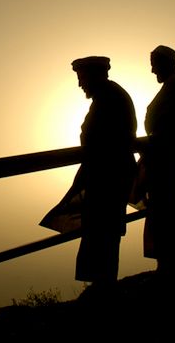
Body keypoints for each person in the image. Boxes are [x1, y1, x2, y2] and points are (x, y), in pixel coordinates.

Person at [41, 56, 137, 288]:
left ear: (94, 75)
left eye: (81, 77)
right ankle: (104, 285)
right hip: (111, 173)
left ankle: (103, 289)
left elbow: (101, 140)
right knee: (105, 231)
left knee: (102, 231)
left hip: (108, 176)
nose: (79, 84)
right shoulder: (110, 95)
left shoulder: (108, 98)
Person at [140, 45, 175, 273]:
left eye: (154, 65)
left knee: (166, 208)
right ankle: (172, 261)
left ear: (165, 63)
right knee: (166, 206)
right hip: (166, 156)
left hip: (167, 158)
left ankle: (171, 264)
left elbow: (167, 125)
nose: (153, 71)